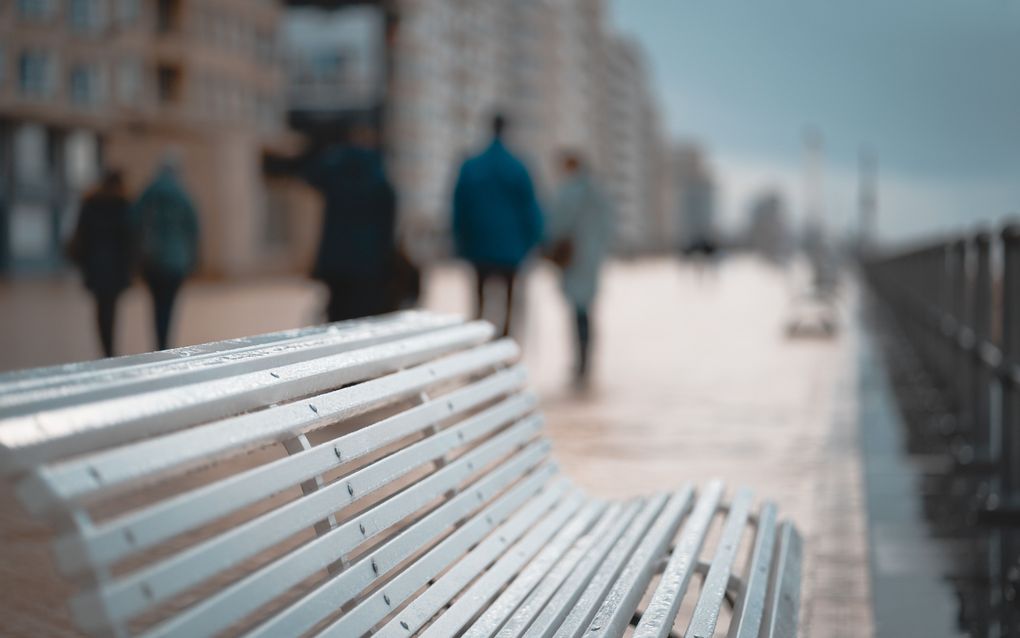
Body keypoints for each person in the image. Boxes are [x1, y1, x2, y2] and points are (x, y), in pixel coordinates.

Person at [452, 114, 544, 337]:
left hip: (478, 247)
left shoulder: (471, 166)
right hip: (511, 250)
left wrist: (461, 242)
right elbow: (530, 209)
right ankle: (505, 344)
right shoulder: (518, 167)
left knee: (480, 302)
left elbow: (458, 208)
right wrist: (533, 241)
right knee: (510, 304)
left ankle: (478, 344)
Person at [307, 124, 398, 322]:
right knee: (362, 317)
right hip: (368, 262)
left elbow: (310, 176)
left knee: (336, 316)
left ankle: (334, 349)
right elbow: (388, 225)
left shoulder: (334, 169)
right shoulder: (378, 178)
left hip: (335, 260)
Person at [545, 151, 614, 386]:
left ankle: (580, 360)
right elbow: (608, 227)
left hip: (574, 260)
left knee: (577, 312)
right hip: (592, 260)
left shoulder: (568, 192)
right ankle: (587, 359)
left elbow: (557, 224)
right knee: (587, 310)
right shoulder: (598, 193)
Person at [133, 152, 200, 351]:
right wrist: (193, 258)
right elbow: (193, 228)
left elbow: (133, 219)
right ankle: (164, 341)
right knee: (169, 305)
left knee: (155, 304)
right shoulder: (182, 194)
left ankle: (159, 341)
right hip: (176, 261)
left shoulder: (149, 191)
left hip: (152, 260)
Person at [68, 170, 133, 357]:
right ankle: (109, 347)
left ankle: (105, 347)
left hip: (95, 266)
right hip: (115, 268)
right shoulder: (123, 205)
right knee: (111, 309)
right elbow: (129, 240)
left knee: (101, 309)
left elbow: (81, 235)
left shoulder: (90, 204)